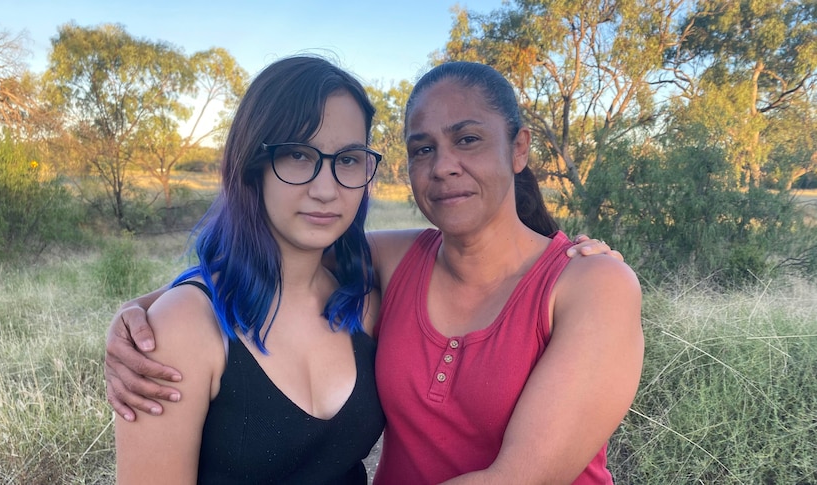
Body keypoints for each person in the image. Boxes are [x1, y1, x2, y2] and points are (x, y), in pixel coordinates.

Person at [107, 61, 643, 484]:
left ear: (519, 148)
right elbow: (252, 266)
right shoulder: (395, 263)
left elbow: (519, 478)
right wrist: (143, 313)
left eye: (469, 139)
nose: (443, 166)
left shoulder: (587, 284)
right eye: (422, 149)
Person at [113, 55, 387, 484]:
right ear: (251, 164)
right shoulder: (185, 328)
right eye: (298, 154)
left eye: (349, 159)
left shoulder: (364, 303)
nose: (326, 189)